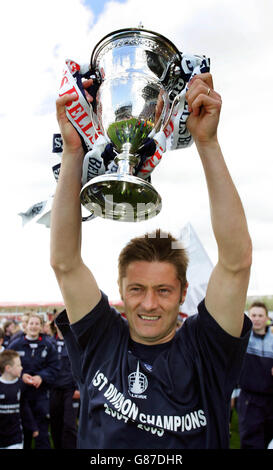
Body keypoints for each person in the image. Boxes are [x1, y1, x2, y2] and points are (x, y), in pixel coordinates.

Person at [50, 72, 252, 449]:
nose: (148, 303)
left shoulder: (205, 350)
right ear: (122, 291)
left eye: (163, 290)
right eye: (137, 289)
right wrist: (73, 153)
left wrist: (207, 142)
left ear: (182, 294)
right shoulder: (102, 340)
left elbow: (236, 263)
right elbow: (65, 263)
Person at [8, 314, 60, 449]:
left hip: (41, 394)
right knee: (24, 430)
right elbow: (6, 365)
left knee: (42, 430)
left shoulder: (48, 346)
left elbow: (55, 367)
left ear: (41, 326)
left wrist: (41, 377)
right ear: (26, 325)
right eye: (31, 323)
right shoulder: (16, 344)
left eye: (37, 324)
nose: (34, 326)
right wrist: (21, 375)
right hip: (21, 394)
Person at [237, 301, 273, 449]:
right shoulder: (242, 338)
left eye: (260, 315)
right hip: (249, 401)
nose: (257, 319)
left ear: (267, 318)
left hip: (271, 400)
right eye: (253, 315)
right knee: (252, 443)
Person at [0, 349, 38, 449]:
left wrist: (33, 426)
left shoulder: (21, 385)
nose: (21, 368)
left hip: (15, 437)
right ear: (8, 368)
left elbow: (25, 408)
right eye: (18, 365)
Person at [49, 321, 79, 449]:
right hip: (53, 389)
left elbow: (81, 366)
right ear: (55, 325)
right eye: (59, 322)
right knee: (55, 423)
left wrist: (78, 388)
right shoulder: (49, 343)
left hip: (70, 390)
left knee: (69, 424)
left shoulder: (75, 342)